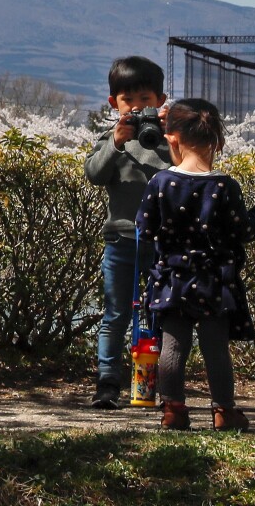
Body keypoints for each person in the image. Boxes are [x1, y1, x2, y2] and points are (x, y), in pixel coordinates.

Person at [136, 98, 255, 431]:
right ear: (217, 141)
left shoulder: (160, 183)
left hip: (172, 278)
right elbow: (242, 230)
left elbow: (144, 228)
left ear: (171, 138)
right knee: (215, 348)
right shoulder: (224, 186)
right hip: (215, 281)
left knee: (173, 346)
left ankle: (173, 410)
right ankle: (223, 412)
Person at [84, 55, 171, 409]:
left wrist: (173, 132)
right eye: (128, 101)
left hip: (164, 243)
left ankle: (167, 383)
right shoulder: (110, 139)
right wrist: (116, 143)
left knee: (164, 313)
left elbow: (188, 170)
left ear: (160, 102)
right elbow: (94, 174)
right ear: (113, 104)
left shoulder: (170, 140)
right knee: (116, 313)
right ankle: (107, 382)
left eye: (145, 101)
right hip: (121, 239)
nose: (137, 109)